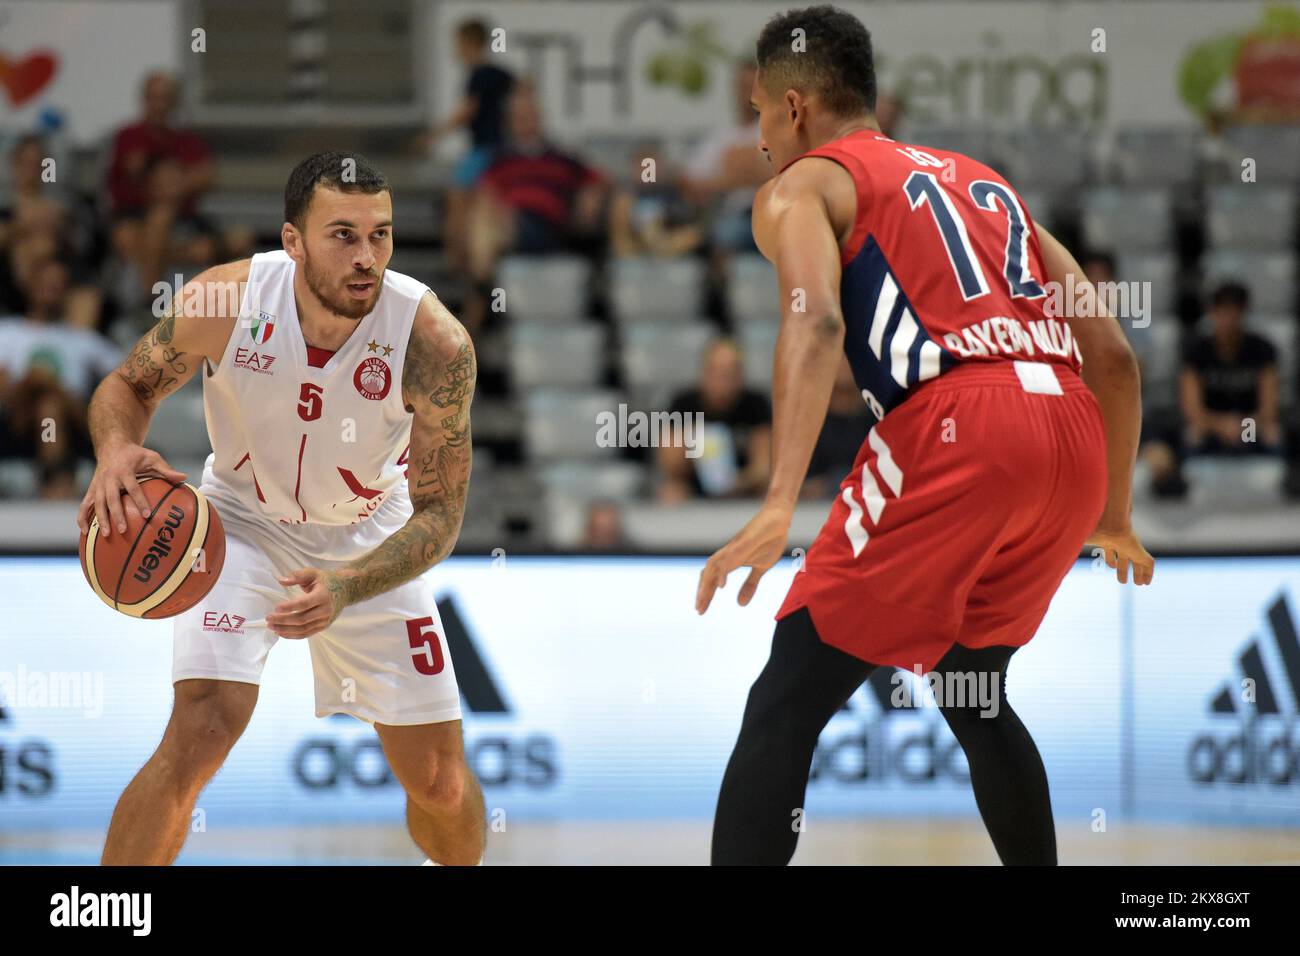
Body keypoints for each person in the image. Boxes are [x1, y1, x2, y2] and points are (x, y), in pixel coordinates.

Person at [697, 5, 1153, 867]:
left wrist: (777, 504)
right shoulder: (987, 184)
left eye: (758, 112)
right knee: (975, 692)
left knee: (789, 691)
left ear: (793, 108)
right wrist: (1116, 515)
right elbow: (1116, 356)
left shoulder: (804, 185)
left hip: (958, 424)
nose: (758, 137)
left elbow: (819, 324)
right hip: (1070, 428)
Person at [77, 152, 485, 866]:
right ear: (291, 240)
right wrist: (115, 452)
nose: (368, 258)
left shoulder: (434, 343)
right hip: (240, 523)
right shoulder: (225, 301)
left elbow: (440, 516)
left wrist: (347, 586)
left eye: (381, 235)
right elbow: (127, 386)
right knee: (201, 728)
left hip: (370, 535)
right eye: (343, 235)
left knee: (440, 782)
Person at [419, 19, 516, 274]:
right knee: (477, 203)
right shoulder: (501, 75)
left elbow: (467, 111)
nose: (456, 51)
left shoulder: (480, 75)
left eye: (459, 44)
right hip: (502, 151)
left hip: (486, 149)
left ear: (469, 44)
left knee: (457, 197)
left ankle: (456, 260)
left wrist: (434, 135)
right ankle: (471, 261)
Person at [658, 338, 771, 504]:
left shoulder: (756, 404)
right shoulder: (683, 403)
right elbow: (671, 467)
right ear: (704, 372)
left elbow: (763, 466)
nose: (724, 379)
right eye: (717, 371)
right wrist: (691, 441)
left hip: (745, 486)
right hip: (695, 485)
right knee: (671, 491)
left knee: (770, 492)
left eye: (732, 372)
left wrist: (736, 483)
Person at [1181, 280, 1282, 455]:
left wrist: (1242, 425)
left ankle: (1271, 481)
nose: (1228, 318)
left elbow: (1268, 409)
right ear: (1212, 312)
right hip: (1211, 426)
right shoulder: (1196, 351)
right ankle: (1193, 481)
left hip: (1250, 426)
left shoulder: (1263, 349)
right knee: (1192, 434)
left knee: (1272, 433)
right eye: (1222, 310)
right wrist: (1221, 425)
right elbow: (1192, 410)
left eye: (1234, 310)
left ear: (1244, 312)